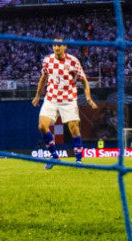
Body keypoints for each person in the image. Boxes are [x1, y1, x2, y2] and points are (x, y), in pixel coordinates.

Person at [32, 37, 98, 169]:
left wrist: (88, 98)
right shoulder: (47, 60)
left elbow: (84, 80)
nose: (57, 48)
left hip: (68, 99)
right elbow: (43, 78)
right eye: (55, 45)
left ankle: (78, 160)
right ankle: (55, 156)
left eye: (59, 45)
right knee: (42, 126)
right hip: (51, 98)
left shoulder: (73, 61)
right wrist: (37, 95)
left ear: (65, 47)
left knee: (73, 127)